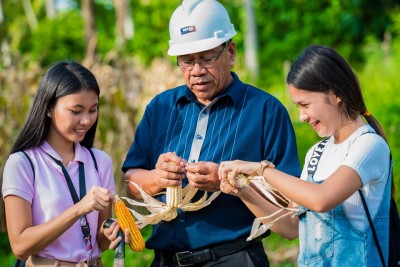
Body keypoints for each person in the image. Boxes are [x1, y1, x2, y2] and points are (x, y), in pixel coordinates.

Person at [120, 0, 301, 266]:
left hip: (234, 257)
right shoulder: (160, 108)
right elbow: (131, 182)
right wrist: (158, 178)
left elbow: (289, 206)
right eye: (186, 61)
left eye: (206, 58)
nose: (196, 71)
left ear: (230, 51)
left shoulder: (265, 111)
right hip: (165, 259)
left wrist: (230, 183)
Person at [219, 45, 391, 266]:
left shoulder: (369, 145)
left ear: (336, 93)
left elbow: (321, 199)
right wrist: (243, 192)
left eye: (305, 105)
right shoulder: (316, 154)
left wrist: (262, 170)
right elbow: (291, 227)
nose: (301, 116)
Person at [1, 60, 116, 266]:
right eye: (76, 111)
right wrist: (78, 209)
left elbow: (100, 240)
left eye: (93, 110)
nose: (86, 121)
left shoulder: (100, 162)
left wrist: (112, 232)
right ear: (48, 108)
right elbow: (19, 246)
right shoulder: (23, 163)